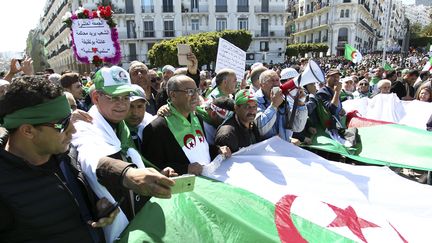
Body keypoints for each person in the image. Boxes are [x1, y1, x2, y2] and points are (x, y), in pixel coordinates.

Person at [0, 75, 118, 242]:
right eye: (62, 124)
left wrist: (95, 207)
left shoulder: (66, 154)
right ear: (27, 131)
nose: (73, 131)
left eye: (71, 118)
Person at [71, 66, 176, 241]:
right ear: (96, 97)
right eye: (114, 98)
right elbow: (91, 159)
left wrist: (154, 176)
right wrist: (129, 174)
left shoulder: (121, 125)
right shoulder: (84, 127)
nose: (122, 104)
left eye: (126, 97)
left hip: (139, 222)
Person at [142, 75, 231, 175]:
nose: (195, 96)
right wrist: (184, 169)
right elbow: (153, 168)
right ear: (173, 95)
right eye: (190, 91)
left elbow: (200, 149)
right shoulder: (156, 128)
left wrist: (218, 150)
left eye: (196, 91)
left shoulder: (197, 117)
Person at [255, 70, 308, 143]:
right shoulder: (255, 100)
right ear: (261, 85)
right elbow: (261, 129)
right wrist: (273, 106)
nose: (276, 84)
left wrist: (300, 104)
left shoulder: (283, 97)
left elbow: (297, 127)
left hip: (284, 146)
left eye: (277, 80)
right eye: (271, 81)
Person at [125, 84, 155, 152]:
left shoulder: (153, 124)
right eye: (130, 106)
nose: (135, 113)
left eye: (139, 106)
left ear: (145, 106)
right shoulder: (112, 128)